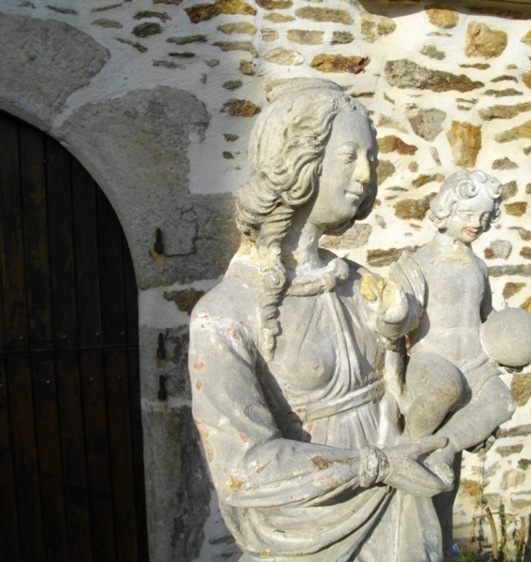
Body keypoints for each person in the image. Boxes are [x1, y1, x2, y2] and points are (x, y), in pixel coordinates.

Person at [189, 78, 454, 562]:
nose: (366, 174)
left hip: (401, 509)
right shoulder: (224, 314)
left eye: (371, 158)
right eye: (349, 156)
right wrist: (375, 466)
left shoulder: (361, 284)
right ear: (299, 162)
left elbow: (405, 393)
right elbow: (244, 468)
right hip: (310, 524)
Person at [402, 170, 520, 468]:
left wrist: (506, 347)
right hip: (433, 359)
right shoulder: (419, 264)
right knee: (446, 389)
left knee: (503, 401)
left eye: (484, 216)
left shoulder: (478, 267)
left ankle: (445, 447)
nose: (476, 224)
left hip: (475, 361)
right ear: (446, 209)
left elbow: (486, 315)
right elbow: (397, 325)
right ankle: (406, 448)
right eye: (468, 214)